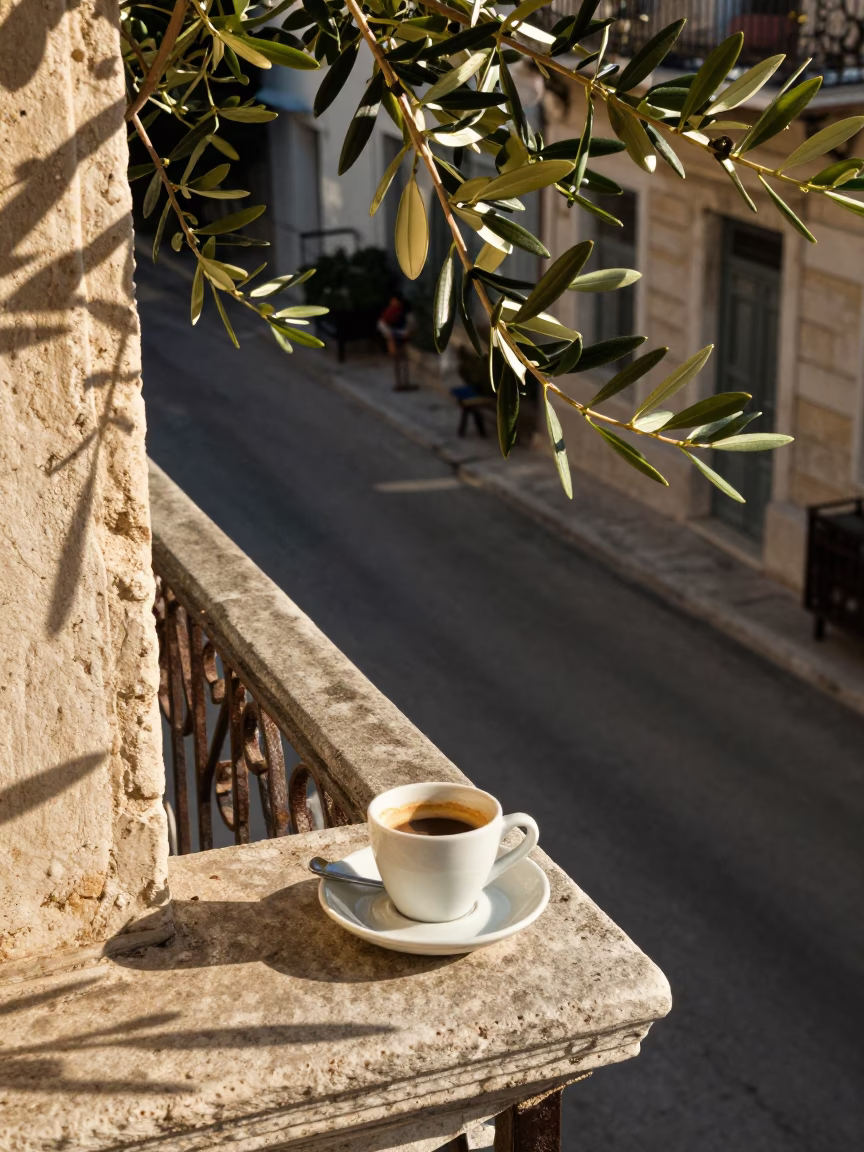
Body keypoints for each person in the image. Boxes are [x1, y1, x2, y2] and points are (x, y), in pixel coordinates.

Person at [377, 292, 416, 391]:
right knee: (397, 361)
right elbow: (382, 324)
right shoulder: (390, 312)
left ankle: (405, 382)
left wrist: (407, 332)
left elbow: (411, 324)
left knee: (403, 361)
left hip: (402, 338)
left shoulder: (405, 311)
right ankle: (400, 383)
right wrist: (390, 335)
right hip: (394, 338)